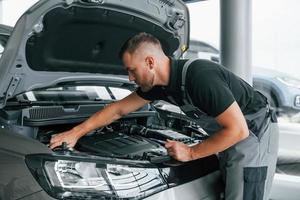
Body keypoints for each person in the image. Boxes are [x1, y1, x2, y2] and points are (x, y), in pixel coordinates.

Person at [49, 32, 279, 200]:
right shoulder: (161, 86)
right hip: (228, 133)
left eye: (131, 70)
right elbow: (118, 109)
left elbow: (238, 130)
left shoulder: (199, 77)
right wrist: (75, 132)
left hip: (252, 133)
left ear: (150, 62)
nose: (130, 78)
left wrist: (190, 152)